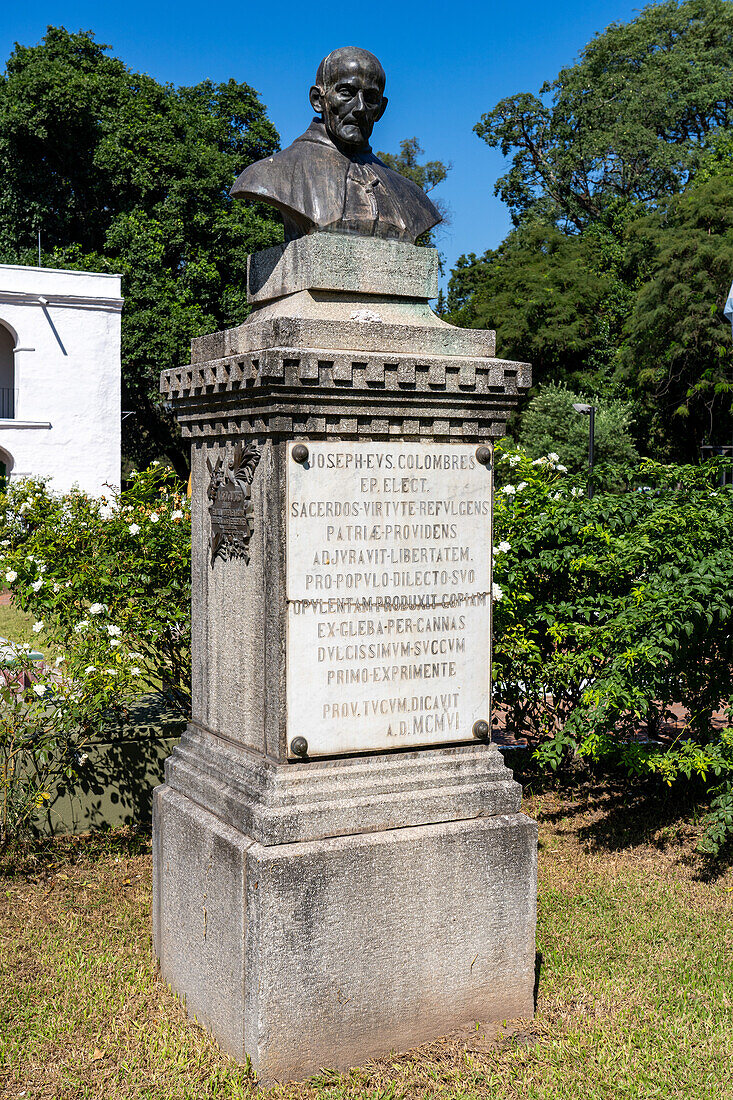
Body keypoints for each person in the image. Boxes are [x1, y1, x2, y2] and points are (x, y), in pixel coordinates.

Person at [231, 47, 441, 244]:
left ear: (381, 109)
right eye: (347, 92)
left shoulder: (410, 195)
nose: (360, 108)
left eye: (370, 97)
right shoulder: (270, 174)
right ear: (318, 99)